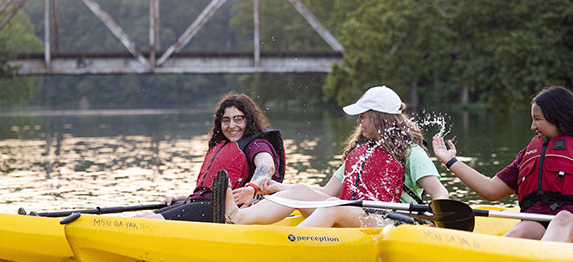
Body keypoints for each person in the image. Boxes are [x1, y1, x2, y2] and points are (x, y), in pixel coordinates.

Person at [433, 86, 573, 244]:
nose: (532, 126)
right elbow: (491, 190)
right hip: (539, 228)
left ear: (561, 118)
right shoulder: (531, 152)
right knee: (523, 229)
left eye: (537, 119)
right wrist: (450, 160)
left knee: (564, 219)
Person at [221, 85, 449, 228]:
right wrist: (278, 187)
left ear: (380, 118)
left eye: (364, 116)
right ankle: (241, 217)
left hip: (388, 222)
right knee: (302, 190)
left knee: (332, 206)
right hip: (351, 212)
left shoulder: (411, 152)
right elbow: (327, 193)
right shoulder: (362, 153)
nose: (359, 122)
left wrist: (441, 211)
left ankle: (286, 248)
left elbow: (439, 191)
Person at [145, 92, 285, 222]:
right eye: (226, 120)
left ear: (249, 120)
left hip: (224, 211)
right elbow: (208, 192)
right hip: (206, 206)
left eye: (238, 119)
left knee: (150, 219)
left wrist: (252, 188)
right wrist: (181, 199)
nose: (231, 126)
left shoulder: (257, 144)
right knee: (146, 216)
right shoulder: (222, 145)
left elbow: (266, 166)